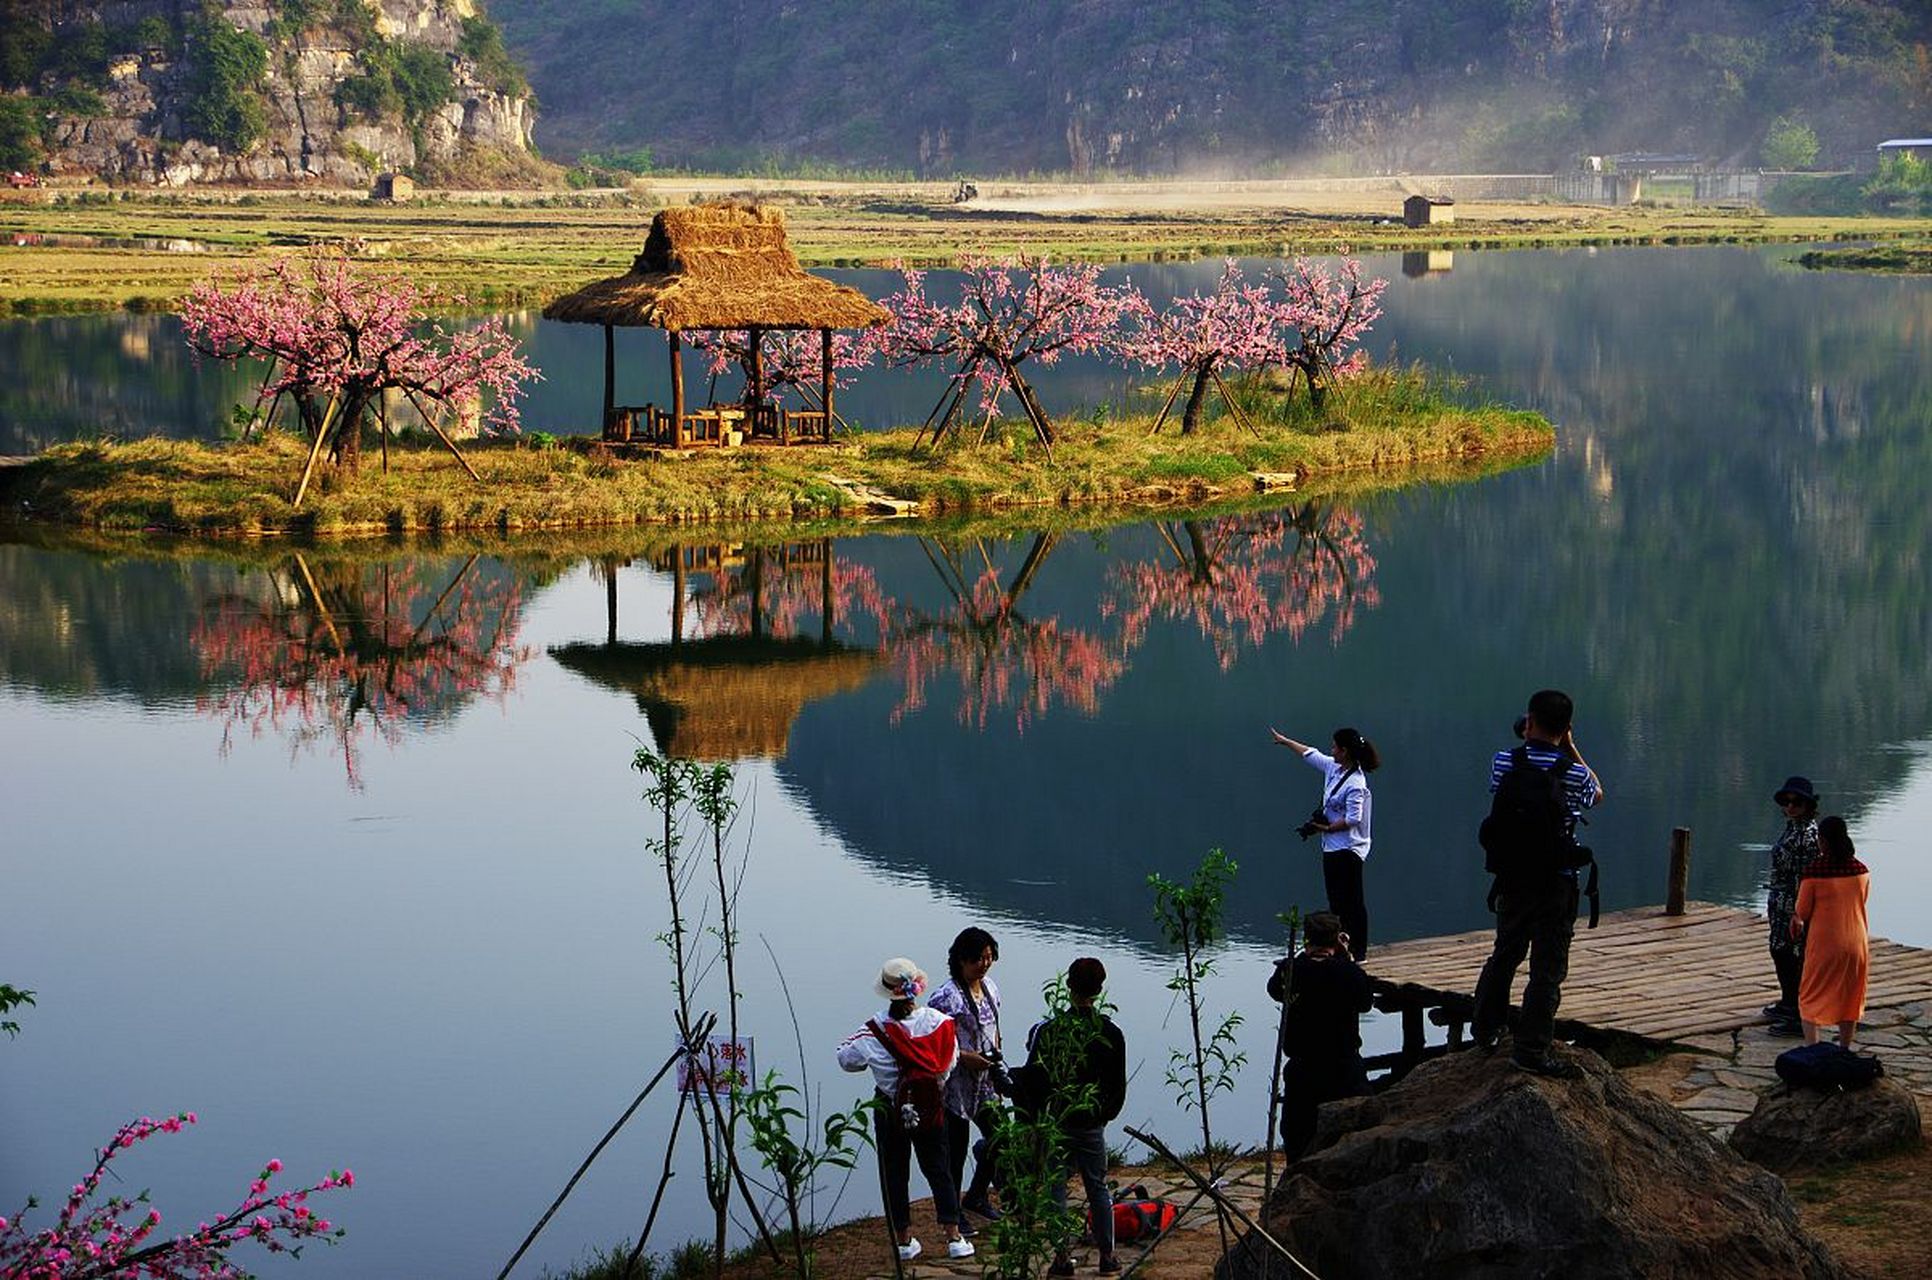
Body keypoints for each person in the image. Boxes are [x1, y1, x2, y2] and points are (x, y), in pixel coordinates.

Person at [1469, 689, 1604, 1078]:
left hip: (1512, 878)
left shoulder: (1503, 763)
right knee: (1547, 969)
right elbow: (1597, 794)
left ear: (1528, 722)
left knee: (1506, 952)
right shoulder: (1574, 774)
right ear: (1567, 729)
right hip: (1556, 883)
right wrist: (1571, 749)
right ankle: (1531, 1050)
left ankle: (1485, 1028)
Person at [836, 958, 974, 1262]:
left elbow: (845, 1059)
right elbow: (949, 1064)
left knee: (894, 1172)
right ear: (916, 990)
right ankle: (953, 1236)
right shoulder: (940, 1024)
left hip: (890, 1107)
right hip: (930, 1105)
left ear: (887, 993)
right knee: (939, 1169)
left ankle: (903, 1240)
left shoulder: (873, 1030)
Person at [1022, 957, 1127, 1278]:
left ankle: (1061, 1257)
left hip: (1057, 1121)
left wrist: (1038, 1119)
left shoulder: (1051, 1031)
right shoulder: (1110, 1032)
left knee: (1056, 1187)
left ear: (1068, 987)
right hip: (1092, 1123)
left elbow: (1035, 1080)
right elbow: (1116, 1086)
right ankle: (1107, 1257)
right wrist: (1103, 1115)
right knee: (1098, 1186)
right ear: (1099, 989)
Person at [1267, 911, 1373, 1159]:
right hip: (1343, 1066)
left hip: (1303, 1067)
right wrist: (1347, 958)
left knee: (1297, 1137)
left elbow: (1274, 990)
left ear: (1306, 938)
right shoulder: (1349, 973)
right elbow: (1366, 1002)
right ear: (1337, 939)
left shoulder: (1291, 971)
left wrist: (1301, 957)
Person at [1270, 726, 1380, 960]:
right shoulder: (1334, 768)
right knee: (1336, 900)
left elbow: (1353, 819)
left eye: (1335, 747)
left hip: (1349, 848)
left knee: (1352, 901)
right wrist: (1286, 740)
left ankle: (1358, 951)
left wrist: (1326, 828)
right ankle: (1339, 946)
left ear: (1345, 751)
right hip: (1331, 847)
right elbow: (1311, 754)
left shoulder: (1356, 783)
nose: (1331, 751)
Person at [925, 927, 1005, 1228]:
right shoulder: (946, 998)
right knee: (955, 1152)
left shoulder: (990, 988)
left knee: (1001, 1138)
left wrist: (995, 1050)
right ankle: (953, 1213)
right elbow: (933, 1040)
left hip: (985, 1082)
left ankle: (976, 1196)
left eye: (988, 958)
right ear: (961, 960)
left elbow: (994, 1027)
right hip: (955, 1084)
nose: (984, 964)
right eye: (978, 959)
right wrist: (963, 1056)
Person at [1792, 815, 1871, 1050]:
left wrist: (1795, 918)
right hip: (1857, 943)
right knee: (1850, 996)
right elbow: (1862, 901)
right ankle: (1845, 1049)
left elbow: (1802, 911)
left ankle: (1812, 1050)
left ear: (1823, 841)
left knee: (1809, 994)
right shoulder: (1861, 870)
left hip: (1826, 944)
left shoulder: (1815, 872)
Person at [1763, 775, 1822, 1035]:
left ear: (1808, 805)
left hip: (1794, 907)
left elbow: (1806, 878)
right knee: (1779, 951)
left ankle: (1800, 1014)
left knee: (1794, 956)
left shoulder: (1808, 836)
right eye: (1786, 802)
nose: (1789, 807)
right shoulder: (1793, 828)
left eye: (1796, 802)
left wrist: (1800, 913)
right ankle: (1788, 1003)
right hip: (1779, 902)